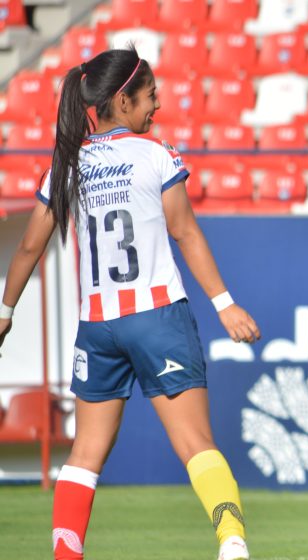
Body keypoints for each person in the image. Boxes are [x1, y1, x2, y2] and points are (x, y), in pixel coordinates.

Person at [0, 48, 260, 560]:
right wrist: (224, 304)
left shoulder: (67, 165)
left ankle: (65, 554)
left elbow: (30, 246)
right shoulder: (154, 154)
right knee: (195, 442)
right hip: (157, 317)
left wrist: (6, 312)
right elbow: (184, 231)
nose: (157, 105)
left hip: (97, 326)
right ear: (123, 99)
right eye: (151, 95)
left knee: (85, 453)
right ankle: (232, 543)